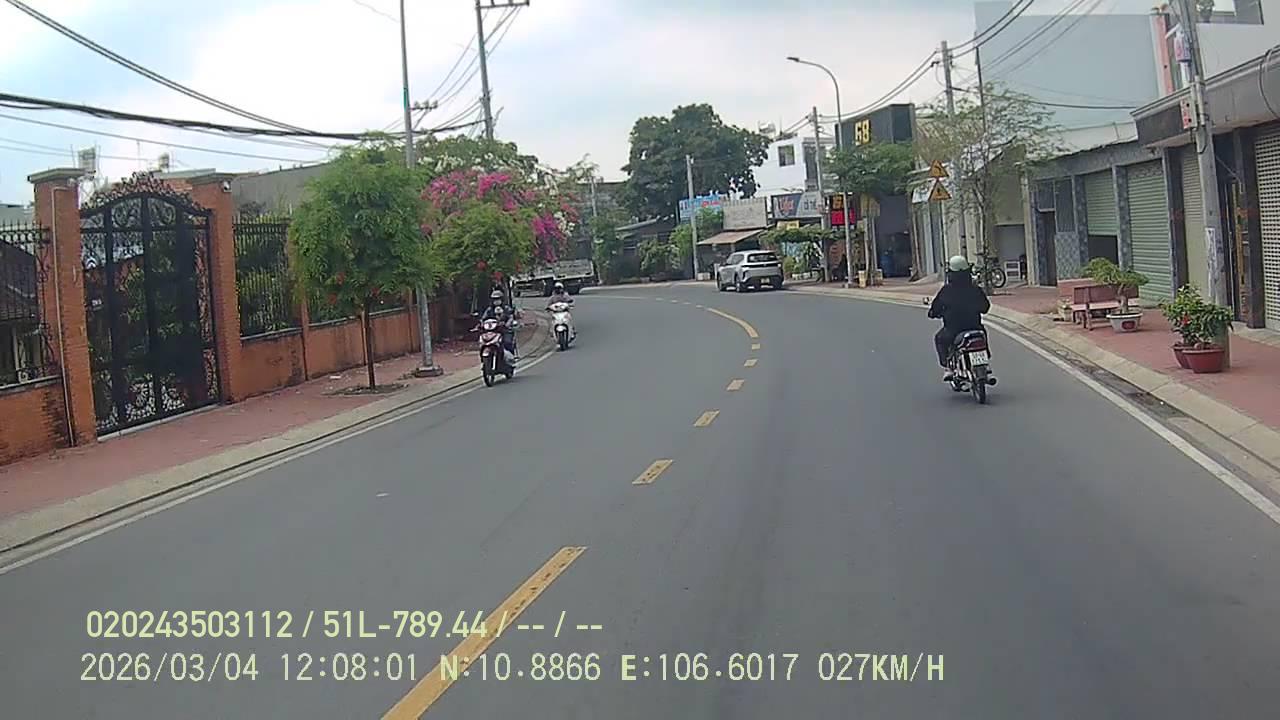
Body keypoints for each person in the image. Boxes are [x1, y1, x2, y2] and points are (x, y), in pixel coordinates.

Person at [928, 255, 991, 381]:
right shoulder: (975, 289)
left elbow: (936, 308)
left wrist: (933, 313)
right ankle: (985, 364)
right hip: (975, 327)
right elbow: (985, 307)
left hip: (953, 330)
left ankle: (948, 368)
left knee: (939, 339)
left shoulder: (946, 291)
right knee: (983, 335)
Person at [480, 288, 518, 359]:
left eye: (498, 299)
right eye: (494, 300)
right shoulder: (489, 310)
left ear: (502, 300)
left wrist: (507, 323)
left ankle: (511, 357)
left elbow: (511, 317)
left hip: (505, 330)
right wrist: (482, 324)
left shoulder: (506, 309)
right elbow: (483, 318)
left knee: (507, 342)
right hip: (493, 331)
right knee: (483, 342)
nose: (496, 301)